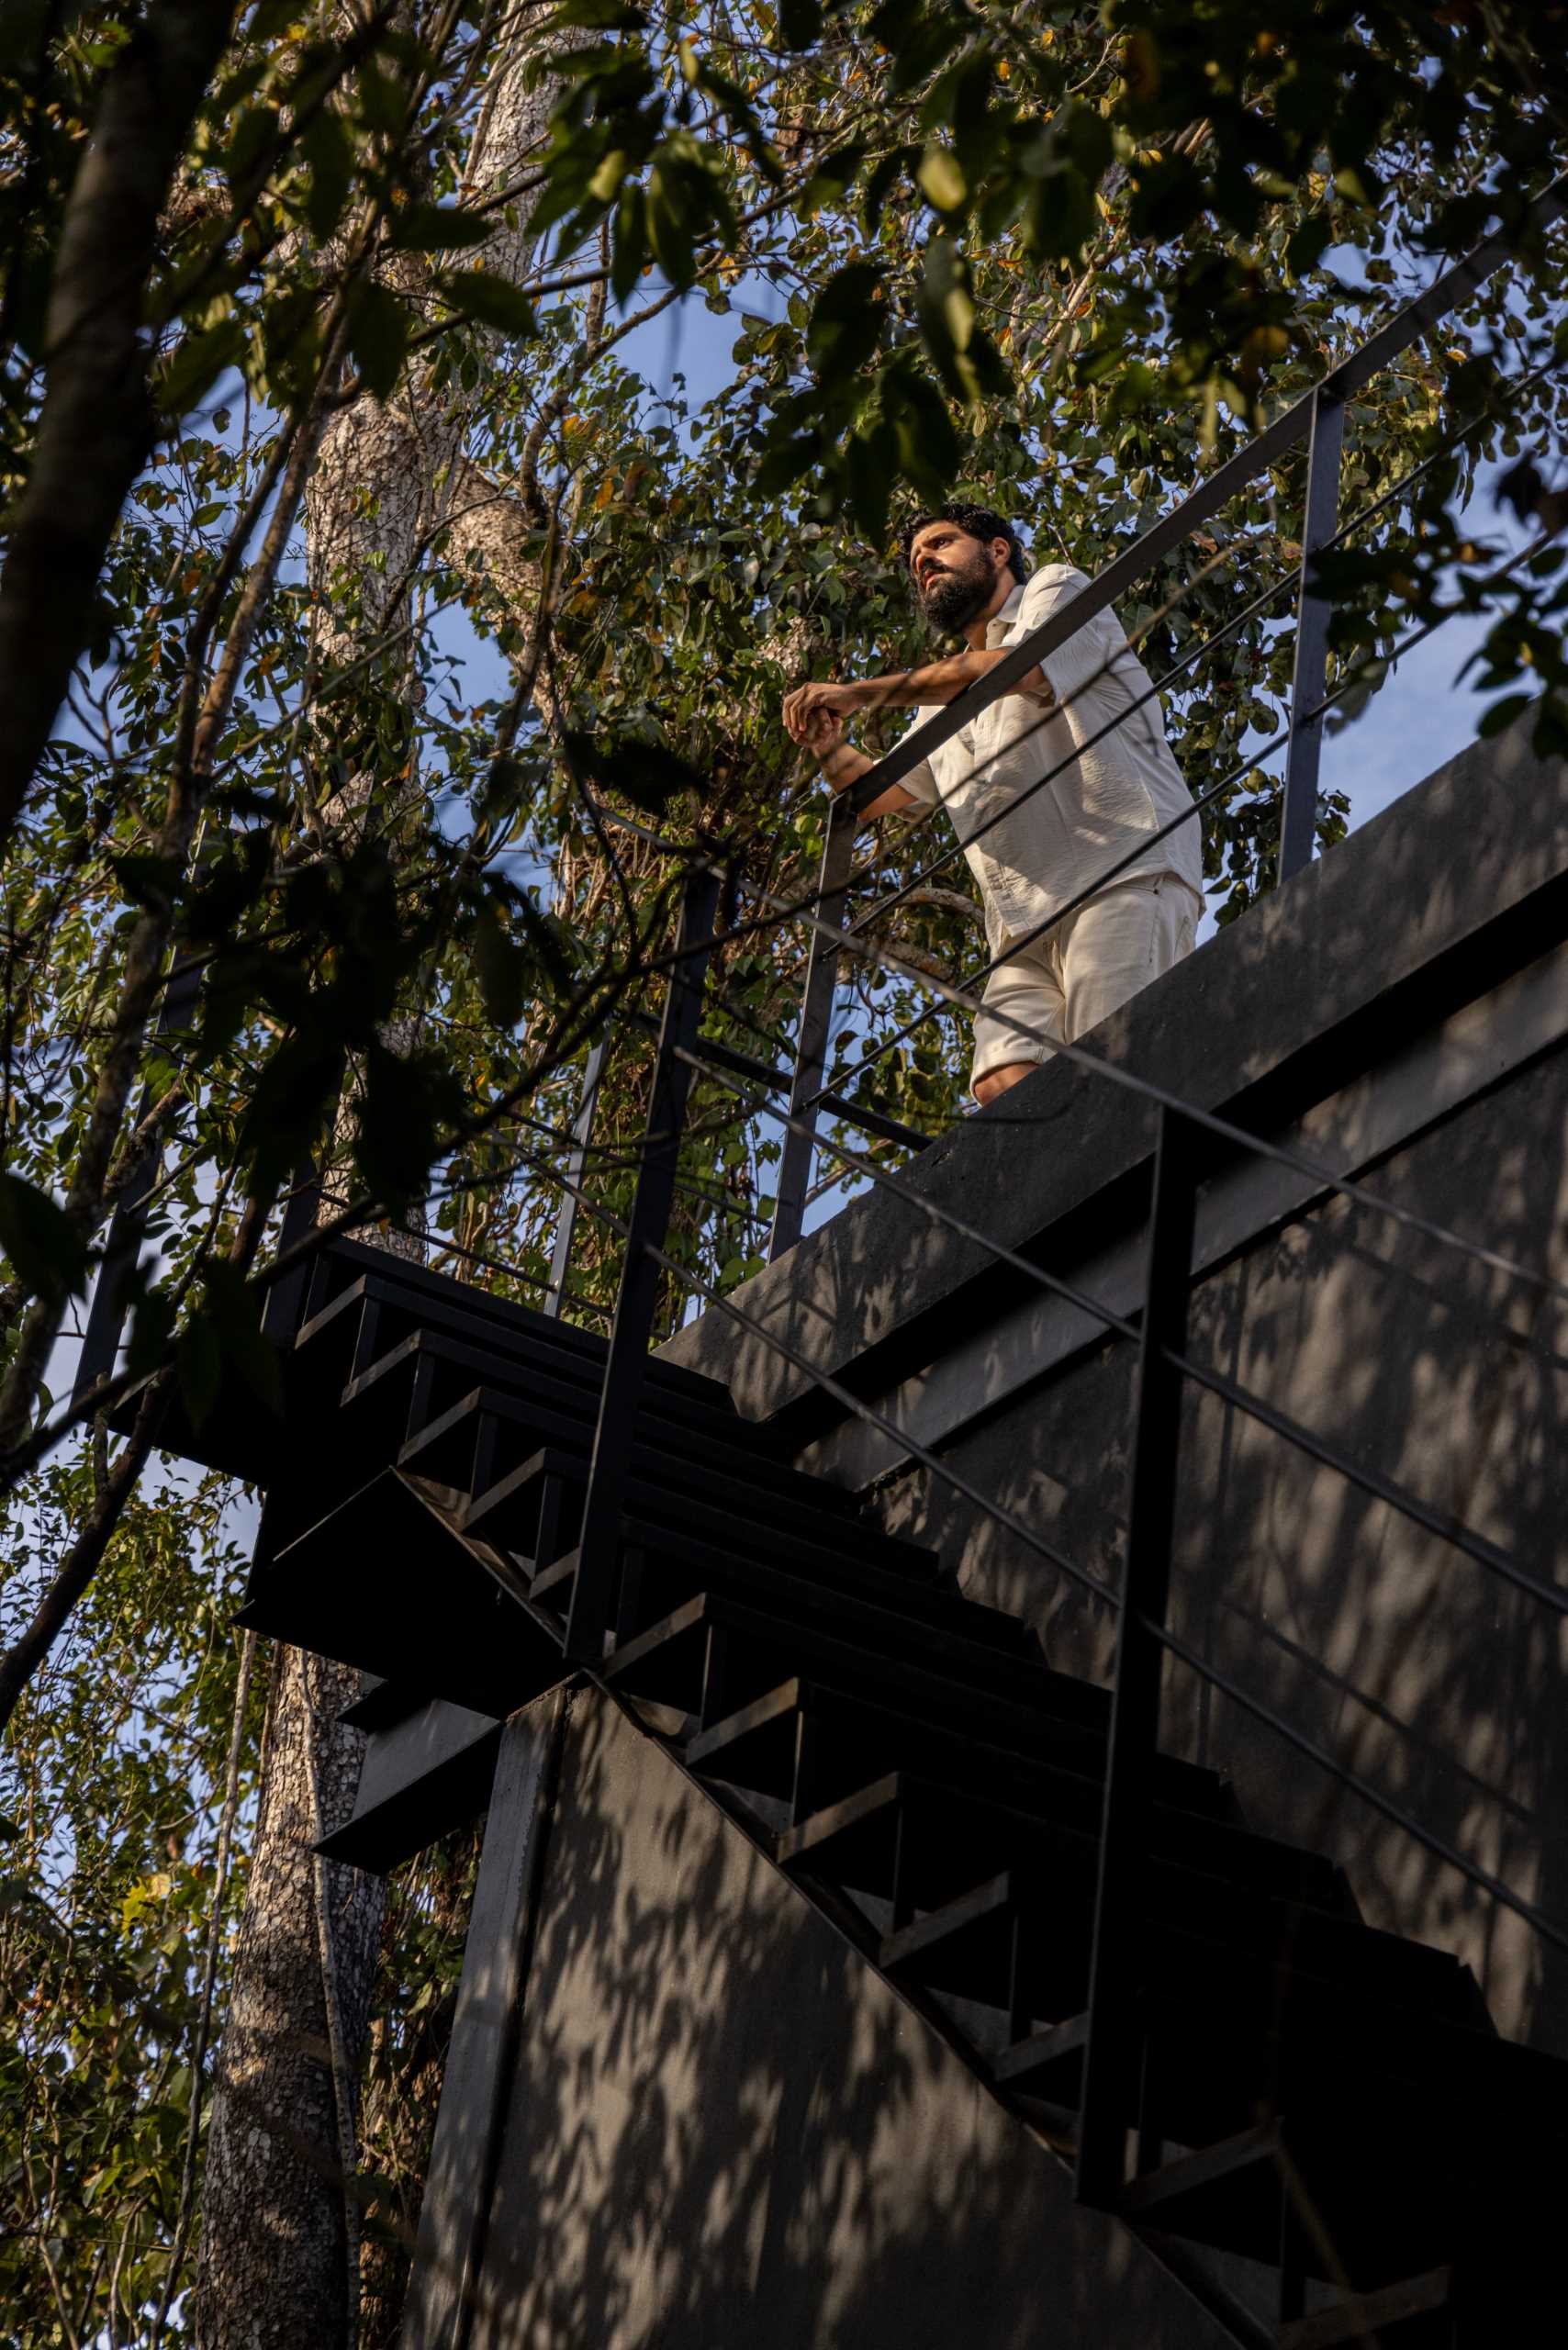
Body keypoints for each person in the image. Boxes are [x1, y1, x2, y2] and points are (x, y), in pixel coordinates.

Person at [782, 502, 1204, 1105]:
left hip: (1120, 871)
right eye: (914, 561)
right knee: (1000, 1082)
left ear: (998, 551)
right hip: (1019, 924)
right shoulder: (939, 704)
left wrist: (857, 693)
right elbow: (875, 797)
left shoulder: (1055, 588)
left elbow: (1018, 670)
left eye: (941, 543)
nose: (923, 560)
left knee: (1112, 1061)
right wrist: (830, 745)